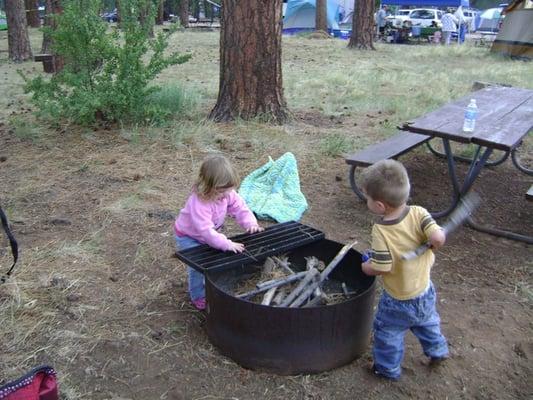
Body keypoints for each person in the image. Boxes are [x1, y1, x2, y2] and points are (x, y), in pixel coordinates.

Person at [360, 160, 449, 380]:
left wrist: (366, 266)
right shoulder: (419, 212)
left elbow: (382, 266)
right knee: (428, 323)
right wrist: (437, 238)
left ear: (380, 206)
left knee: (387, 334)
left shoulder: (381, 230)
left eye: (367, 198)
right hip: (424, 292)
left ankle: (387, 369)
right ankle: (438, 351)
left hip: (397, 301)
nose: (366, 202)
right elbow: (437, 235)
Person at [174, 154, 263, 310]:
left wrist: (251, 224)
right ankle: (198, 296)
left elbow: (240, 208)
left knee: (214, 258)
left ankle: (212, 285)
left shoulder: (228, 194)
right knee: (197, 267)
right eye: (221, 191)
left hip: (209, 235)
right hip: (190, 237)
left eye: (229, 190)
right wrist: (226, 243)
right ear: (207, 186)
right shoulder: (199, 203)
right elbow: (205, 230)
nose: (225, 195)